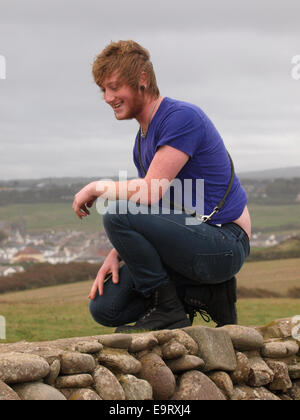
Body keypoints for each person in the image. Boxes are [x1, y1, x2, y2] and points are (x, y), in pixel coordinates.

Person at [72, 40, 251, 332]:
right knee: (105, 307)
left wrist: (95, 187)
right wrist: (117, 252)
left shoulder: (181, 118)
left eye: (114, 87)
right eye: (103, 89)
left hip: (226, 243)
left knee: (116, 212)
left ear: (142, 80)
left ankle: (168, 310)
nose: (107, 97)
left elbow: (150, 190)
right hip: (189, 239)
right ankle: (204, 295)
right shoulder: (141, 142)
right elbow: (154, 207)